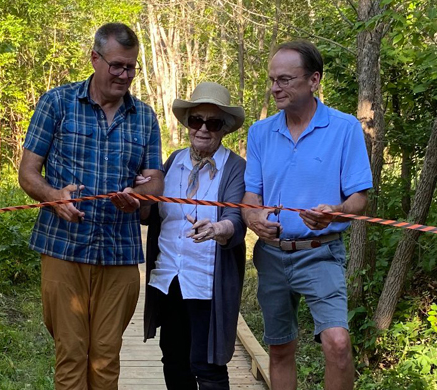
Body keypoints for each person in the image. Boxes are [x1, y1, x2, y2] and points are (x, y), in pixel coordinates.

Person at [18, 22, 164, 390]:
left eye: (131, 67)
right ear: (95, 59)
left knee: (105, 357)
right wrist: (54, 197)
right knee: (71, 355)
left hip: (119, 252)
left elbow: (155, 179)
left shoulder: (144, 117)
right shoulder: (57, 102)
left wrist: (140, 198)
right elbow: (28, 173)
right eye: (117, 65)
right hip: (63, 248)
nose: (124, 75)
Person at [242, 40, 372, 390]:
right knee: (280, 348)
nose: (275, 88)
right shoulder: (260, 132)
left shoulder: (345, 129)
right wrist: (253, 217)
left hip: (321, 252)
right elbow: (250, 194)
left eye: (285, 79)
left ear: (314, 80)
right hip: (271, 256)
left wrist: (336, 211)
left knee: (339, 344)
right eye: (272, 80)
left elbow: (359, 198)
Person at [141, 82, 247, 390]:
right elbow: (151, 212)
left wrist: (217, 229)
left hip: (207, 281)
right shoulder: (173, 162)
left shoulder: (235, 168)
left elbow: (236, 219)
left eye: (212, 123)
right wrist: (140, 194)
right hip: (169, 278)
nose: (202, 129)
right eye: (195, 120)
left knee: (207, 365)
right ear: (188, 123)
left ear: (224, 128)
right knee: (173, 359)